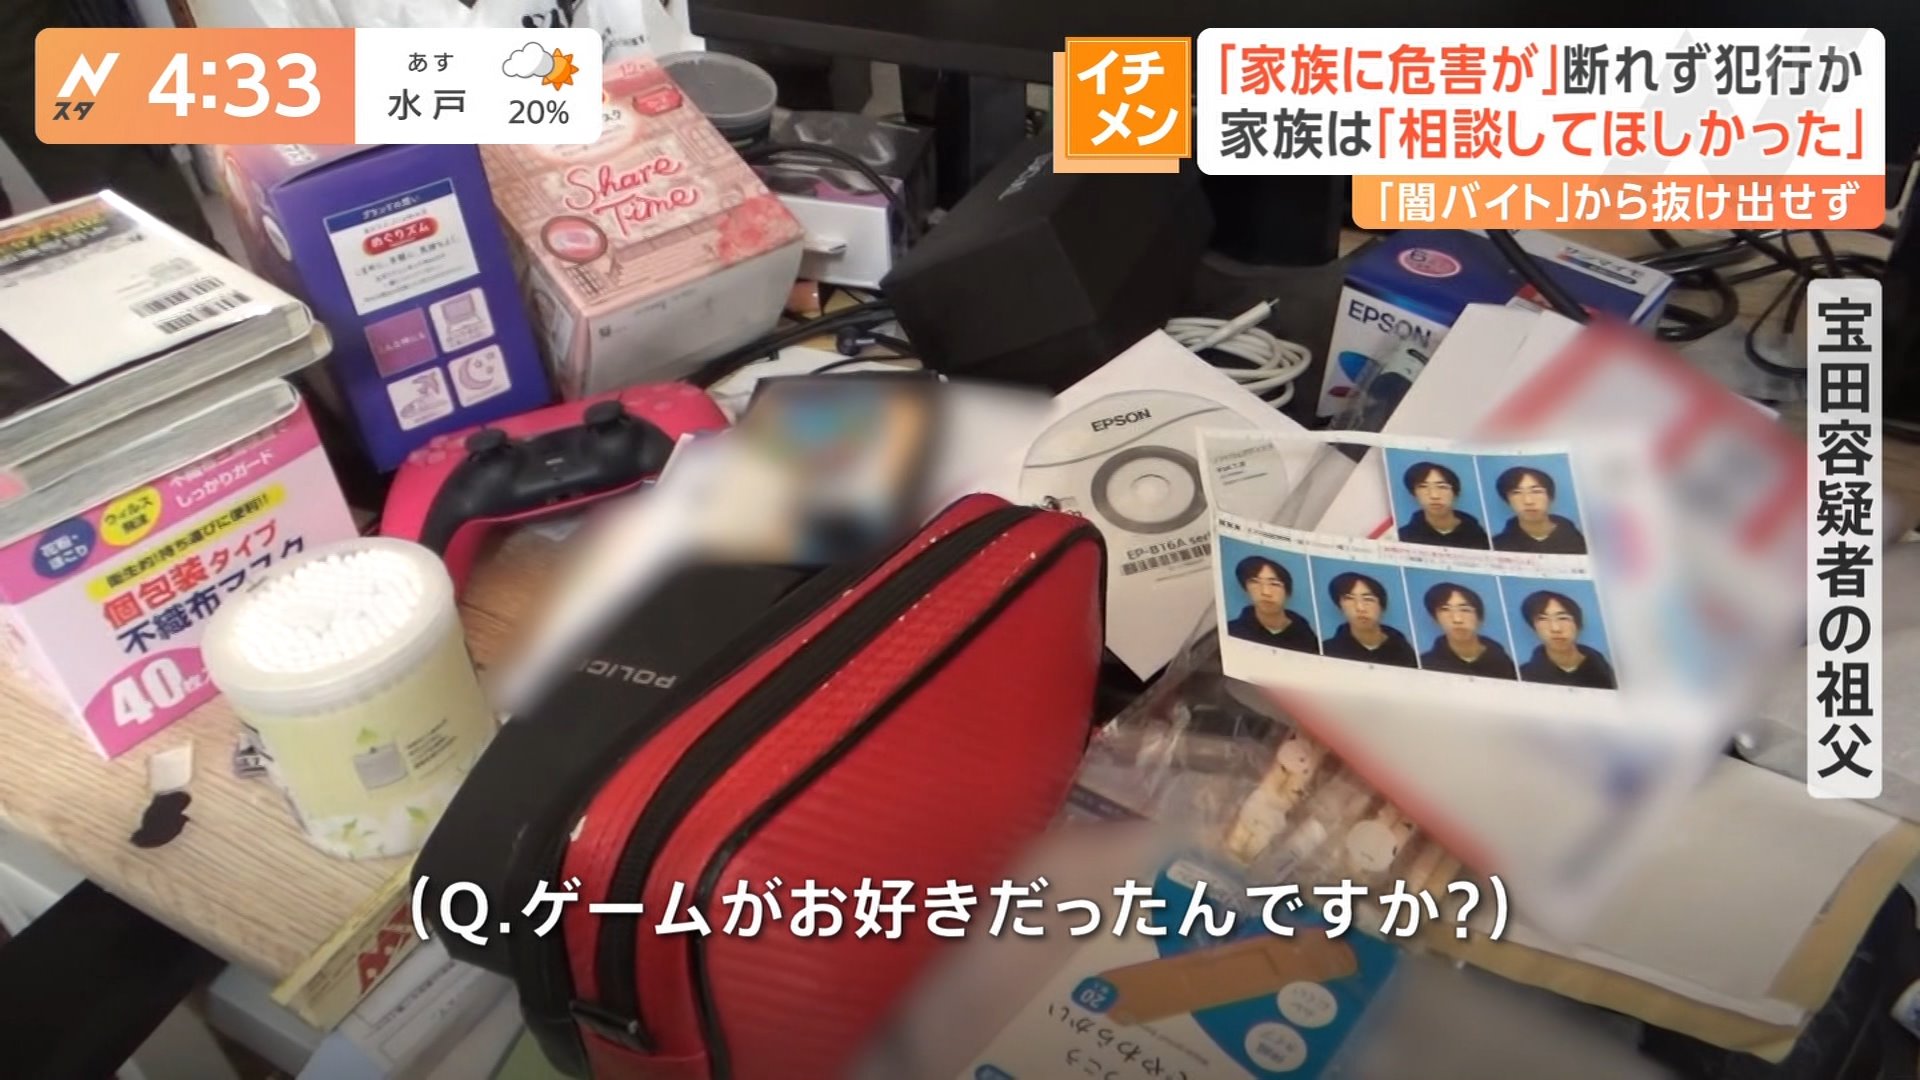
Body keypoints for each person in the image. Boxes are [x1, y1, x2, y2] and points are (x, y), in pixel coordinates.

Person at [1517, 590, 1617, 689]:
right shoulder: (1523, 676)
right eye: (1543, 619)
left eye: (1563, 618)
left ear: (1578, 625)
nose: (1555, 628)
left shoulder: (1608, 673)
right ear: (1533, 627)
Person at [1417, 582, 1517, 679]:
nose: (1457, 619)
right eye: (1445, 609)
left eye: (1465, 609)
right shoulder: (1424, 664)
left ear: (1480, 618)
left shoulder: (1503, 662)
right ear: (1435, 619)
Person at [1320, 571, 1418, 667]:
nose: (1360, 608)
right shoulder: (1327, 651)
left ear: (1382, 606)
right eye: (1349, 599)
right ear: (1340, 606)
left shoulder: (1404, 651)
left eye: (1368, 599)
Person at [1226, 556, 1319, 653]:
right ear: (1246, 589)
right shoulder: (1231, 631)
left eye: (1274, 584)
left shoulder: (1306, 636)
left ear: (1287, 592)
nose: (1266, 592)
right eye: (1255, 582)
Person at [1492, 467, 1588, 554]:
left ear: (1550, 497)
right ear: (1507, 500)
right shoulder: (1497, 546)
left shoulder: (1579, 540)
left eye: (1536, 491)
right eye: (1516, 492)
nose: (1528, 501)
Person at [1396, 461, 1491, 549]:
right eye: (1423, 487)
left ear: (1455, 493)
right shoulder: (1403, 537)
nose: (1434, 496)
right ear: (1414, 493)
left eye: (1442, 487)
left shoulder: (1477, 535)